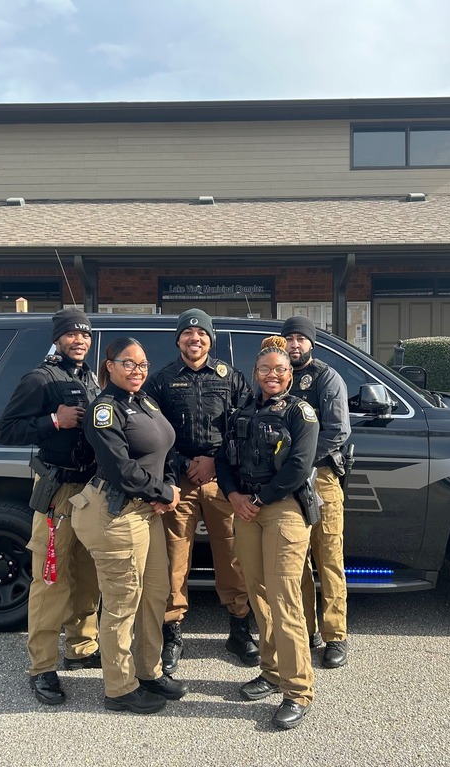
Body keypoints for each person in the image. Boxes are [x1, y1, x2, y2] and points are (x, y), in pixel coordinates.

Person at [72, 337, 187, 715]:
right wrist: (164, 492)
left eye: (142, 364)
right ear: (109, 366)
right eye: (128, 364)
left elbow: (165, 446)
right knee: (122, 602)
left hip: (147, 510)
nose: (137, 371)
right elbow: (121, 468)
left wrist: (168, 486)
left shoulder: (143, 400)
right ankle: (119, 688)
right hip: (115, 513)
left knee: (154, 594)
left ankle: (148, 670)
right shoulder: (104, 410)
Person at [0, 308, 102, 706]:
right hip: (57, 489)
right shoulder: (40, 378)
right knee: (51, 578)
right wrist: (53, 422)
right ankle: (42, 666)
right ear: (58, 338)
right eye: (72, 334)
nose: (80, 340)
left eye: (85, 334)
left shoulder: (89, 378)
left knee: (87, 573)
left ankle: (82, 646)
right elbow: (4, 431)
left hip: (90, 490)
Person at [143, 308, 258, 674]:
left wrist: (213, 459)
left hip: (221, 481)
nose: (195, 338)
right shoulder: (160, 381)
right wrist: (183, 461)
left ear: (211, 339)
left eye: (202, 333)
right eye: (188, 333)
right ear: (178, 340)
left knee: (232, 555)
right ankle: (172, 631)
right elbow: (148, 431)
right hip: (179, 481)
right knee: (174, 560)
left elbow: (245, 426)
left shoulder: (232, 378)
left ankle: (240, 629)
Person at [216, 336, 319, 730]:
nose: (272, 375)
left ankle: (298, 690)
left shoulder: (301, 412)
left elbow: (299, 466)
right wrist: (233, 495)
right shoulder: (242, 411)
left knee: (284, 597)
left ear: (290, 374)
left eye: (279, 369)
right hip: (246, 510)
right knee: (257, 594)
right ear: (255, 374)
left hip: (282, 510)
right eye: (264, 369)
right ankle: (272, 671)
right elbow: (224, 460)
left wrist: (257, 500)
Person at [282, 315, 353, 670]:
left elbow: (337, 431)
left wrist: (297, 459)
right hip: (285, 482)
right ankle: (307, 630)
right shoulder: (277, 375)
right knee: (297, 564)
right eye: (289, 339)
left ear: (311, 343)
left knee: (327, 558)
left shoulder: (326, 378)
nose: (295, 345)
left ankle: (335, 635)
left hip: (320, 477)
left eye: (300, 339)